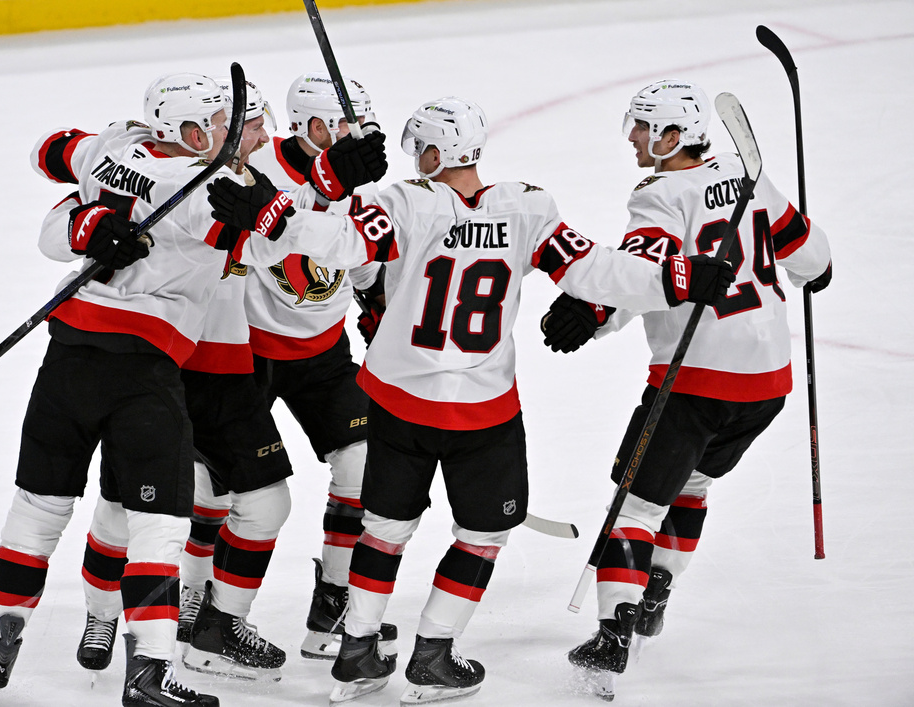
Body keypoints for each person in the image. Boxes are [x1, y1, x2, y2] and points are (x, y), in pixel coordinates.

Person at [203, 95, 734, 705]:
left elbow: (339, 242)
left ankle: (356, 649)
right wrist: (679, 278)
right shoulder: (527, 208)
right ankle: (433, 652)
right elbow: (596, 272)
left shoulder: (401, 203)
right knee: (481, 536)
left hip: (399, 402)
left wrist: (274, 218)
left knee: (382, 530)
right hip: (482, 411)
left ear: (433, 152)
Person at [0, 72, 260, 707]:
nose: (224, 132)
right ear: (179, 129)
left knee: (36, 510)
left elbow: (50, 150)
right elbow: (283, 242)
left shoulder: (111, 144)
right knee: (157, 523)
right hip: (142, 372)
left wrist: (86, 220)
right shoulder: (205, 190)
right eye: (210, 122)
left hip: (67, 357)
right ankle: (148, 674)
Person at [541, 79, 832, 701]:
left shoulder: (659, 195)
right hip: (768, 385)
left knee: (636, 506)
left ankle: (613, 633)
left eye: (645, 128)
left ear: (674, 136)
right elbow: (815, 263)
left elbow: (646, 275)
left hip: (697, 380)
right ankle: (658, 590)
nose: (635, 139)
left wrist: (591, 314)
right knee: (692, 483)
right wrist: (812, 264)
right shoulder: (750, 178)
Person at [39, 79, 295, 684]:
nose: (261, 136)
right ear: (205, 129)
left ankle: (209, 620)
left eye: (256, 124)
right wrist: (88, 213)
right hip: (152, 360)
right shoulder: (161, 168)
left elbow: (302, 228)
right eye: (248, 123)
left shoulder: (264, 185)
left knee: (249, 501)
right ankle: (103, 613)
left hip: (230, 366)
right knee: (122, 505)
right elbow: (59, 177)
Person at [238, 71, 396, 661]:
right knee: (221, 487)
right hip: (247, 353)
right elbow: (272, 221)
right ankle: (202, 607)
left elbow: (362, 255)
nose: (352, 134)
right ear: (304, 125)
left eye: (359, 122)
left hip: (323, 356)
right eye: (338, 124)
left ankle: (333, 606)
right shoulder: (257, 171)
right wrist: (330, 184)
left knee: (362, 468)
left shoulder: (363, 182)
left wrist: (376, 299)